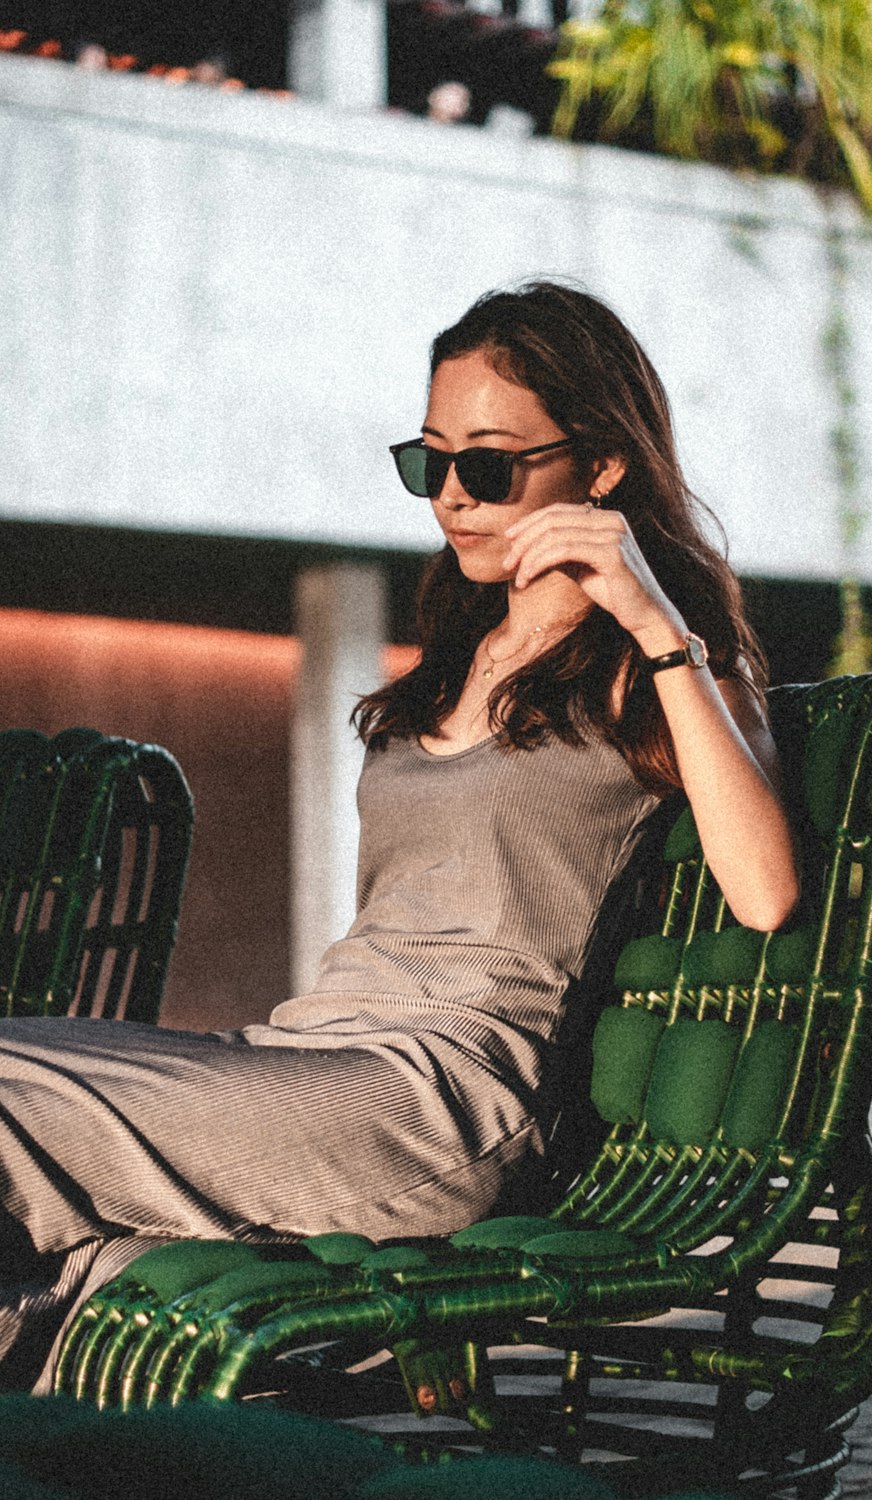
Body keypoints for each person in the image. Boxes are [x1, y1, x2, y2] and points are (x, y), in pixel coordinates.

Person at [0, 280, 798, 1390]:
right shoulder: (457, 653)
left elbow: (762, 891)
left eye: (487, 464)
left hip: (439, 1102)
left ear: (602, 465)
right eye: (431, 463)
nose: (453, 499)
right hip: (307, 1061)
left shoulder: (652, 668)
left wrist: (658, 622)